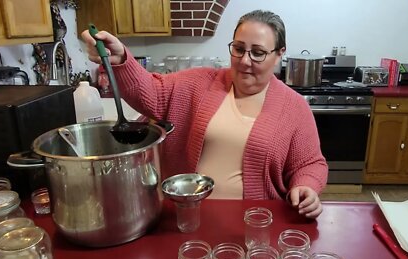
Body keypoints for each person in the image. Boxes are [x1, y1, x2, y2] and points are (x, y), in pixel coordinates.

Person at [81, 10, 328, 219]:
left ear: (279, 54)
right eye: (239, 49)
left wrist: (306, 186)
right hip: (187, 216)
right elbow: (149, 92)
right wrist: (122, 59)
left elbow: (309, 164)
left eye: (258, 53)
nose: (245, 60)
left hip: (256, 221)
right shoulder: (199, 83)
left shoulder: (294, 107)